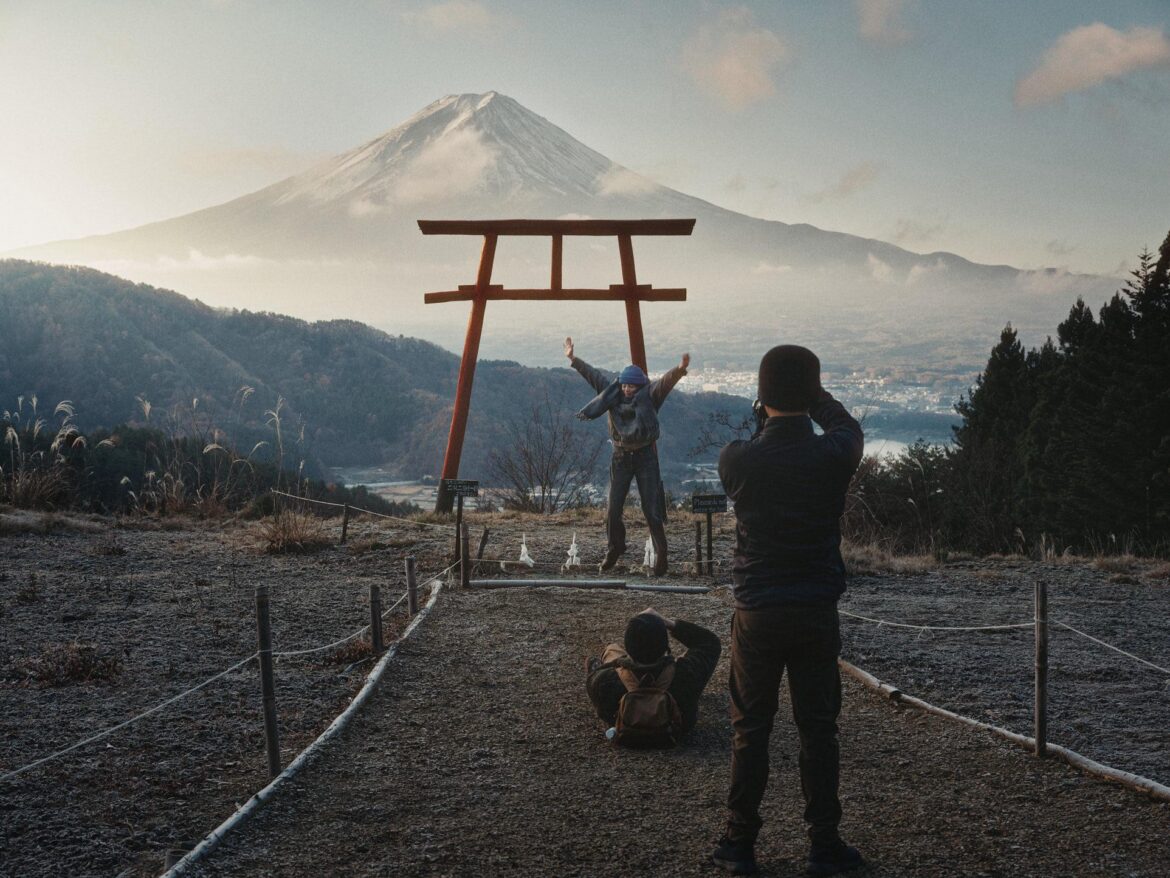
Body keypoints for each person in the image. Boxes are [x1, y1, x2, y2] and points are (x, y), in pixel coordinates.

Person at [711, 345, 865, 876]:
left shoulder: (738, 459)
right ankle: (824, 843)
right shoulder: (834, 454)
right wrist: (817, 401)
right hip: (815, 607)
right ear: (812, 392)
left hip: (757, 608)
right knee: (818, 729)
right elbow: (845, 426)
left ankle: (738, 843)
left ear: (762, 394)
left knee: (750, 728)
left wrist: (766, 412)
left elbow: (755, 446)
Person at [564, 336, 689, 575]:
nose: (626, 389)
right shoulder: (612, 395)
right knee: (613, 507)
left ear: (640, 386)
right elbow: (594, 376)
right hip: (620, 456)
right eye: (624, 385)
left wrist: (680, 369)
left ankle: (662, 555)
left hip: (645, 456)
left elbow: (665, 383)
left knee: (651, 509)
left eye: (631, 386)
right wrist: (573, 359)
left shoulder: (650, 396)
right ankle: (615, 547)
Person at [585, 607, 721, 737]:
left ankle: (616, 654)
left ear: (629, 647)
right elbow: (710, 643)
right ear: (665, 647)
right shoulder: (687, 673)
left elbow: (595, 680)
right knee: (681, 661)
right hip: (678, 730)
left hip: (621, 727)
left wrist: (618, 663)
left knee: (612, 649)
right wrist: (669, 623)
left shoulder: (602, 681)